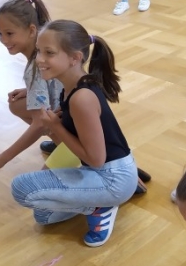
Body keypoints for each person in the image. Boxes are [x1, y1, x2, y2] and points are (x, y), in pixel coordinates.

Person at [10, 20, 138, 247]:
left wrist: (56, 127)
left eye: (49, 53)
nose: (39, 59)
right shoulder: (71, 86)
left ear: (75, 58)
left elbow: (97, 160)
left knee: (22, 188)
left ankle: (100, 206)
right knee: (43, 215)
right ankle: (104, 198)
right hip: (105, 172)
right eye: (39, 51)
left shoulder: (81, 98)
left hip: (111, 177)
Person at [0, 0, 61, 171]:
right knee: (17, 104)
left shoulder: (35, 67)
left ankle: (66, 146)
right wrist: (30, 90)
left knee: (33, 185)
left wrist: (3, 157)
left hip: (80, 134)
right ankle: (62, 142)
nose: (3, 40)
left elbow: (39, 124)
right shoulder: (50, 48)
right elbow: (57, 83)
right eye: (0, 33)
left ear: (31, 30)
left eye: (9, 33)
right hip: (81, 120)